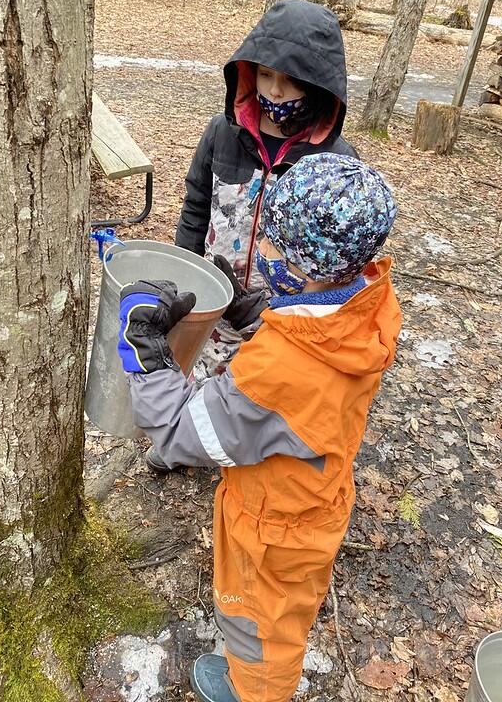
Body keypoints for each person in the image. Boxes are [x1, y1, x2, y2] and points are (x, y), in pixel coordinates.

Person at [117, 154, 401, 702]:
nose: (260, 249)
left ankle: (254, 691)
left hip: (273, 526)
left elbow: (178, 432)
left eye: (270, 241)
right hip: (312, 496)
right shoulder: (366, 305)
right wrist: (260, 320)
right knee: (281, 615)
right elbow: (313, 364)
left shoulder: (278, 371)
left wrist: (146, 355)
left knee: (259, 628)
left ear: (304, 266)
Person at [174, 0, 358, 389]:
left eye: (291, 80)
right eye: (265, 74)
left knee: (254, 414)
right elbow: (195, 209)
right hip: (211, 310)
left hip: (281, 327)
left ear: (318, 84)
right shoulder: (222, 134)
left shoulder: (334, 161)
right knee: (199, 400)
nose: (274, 91)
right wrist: (185, 281)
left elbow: (339, 263)